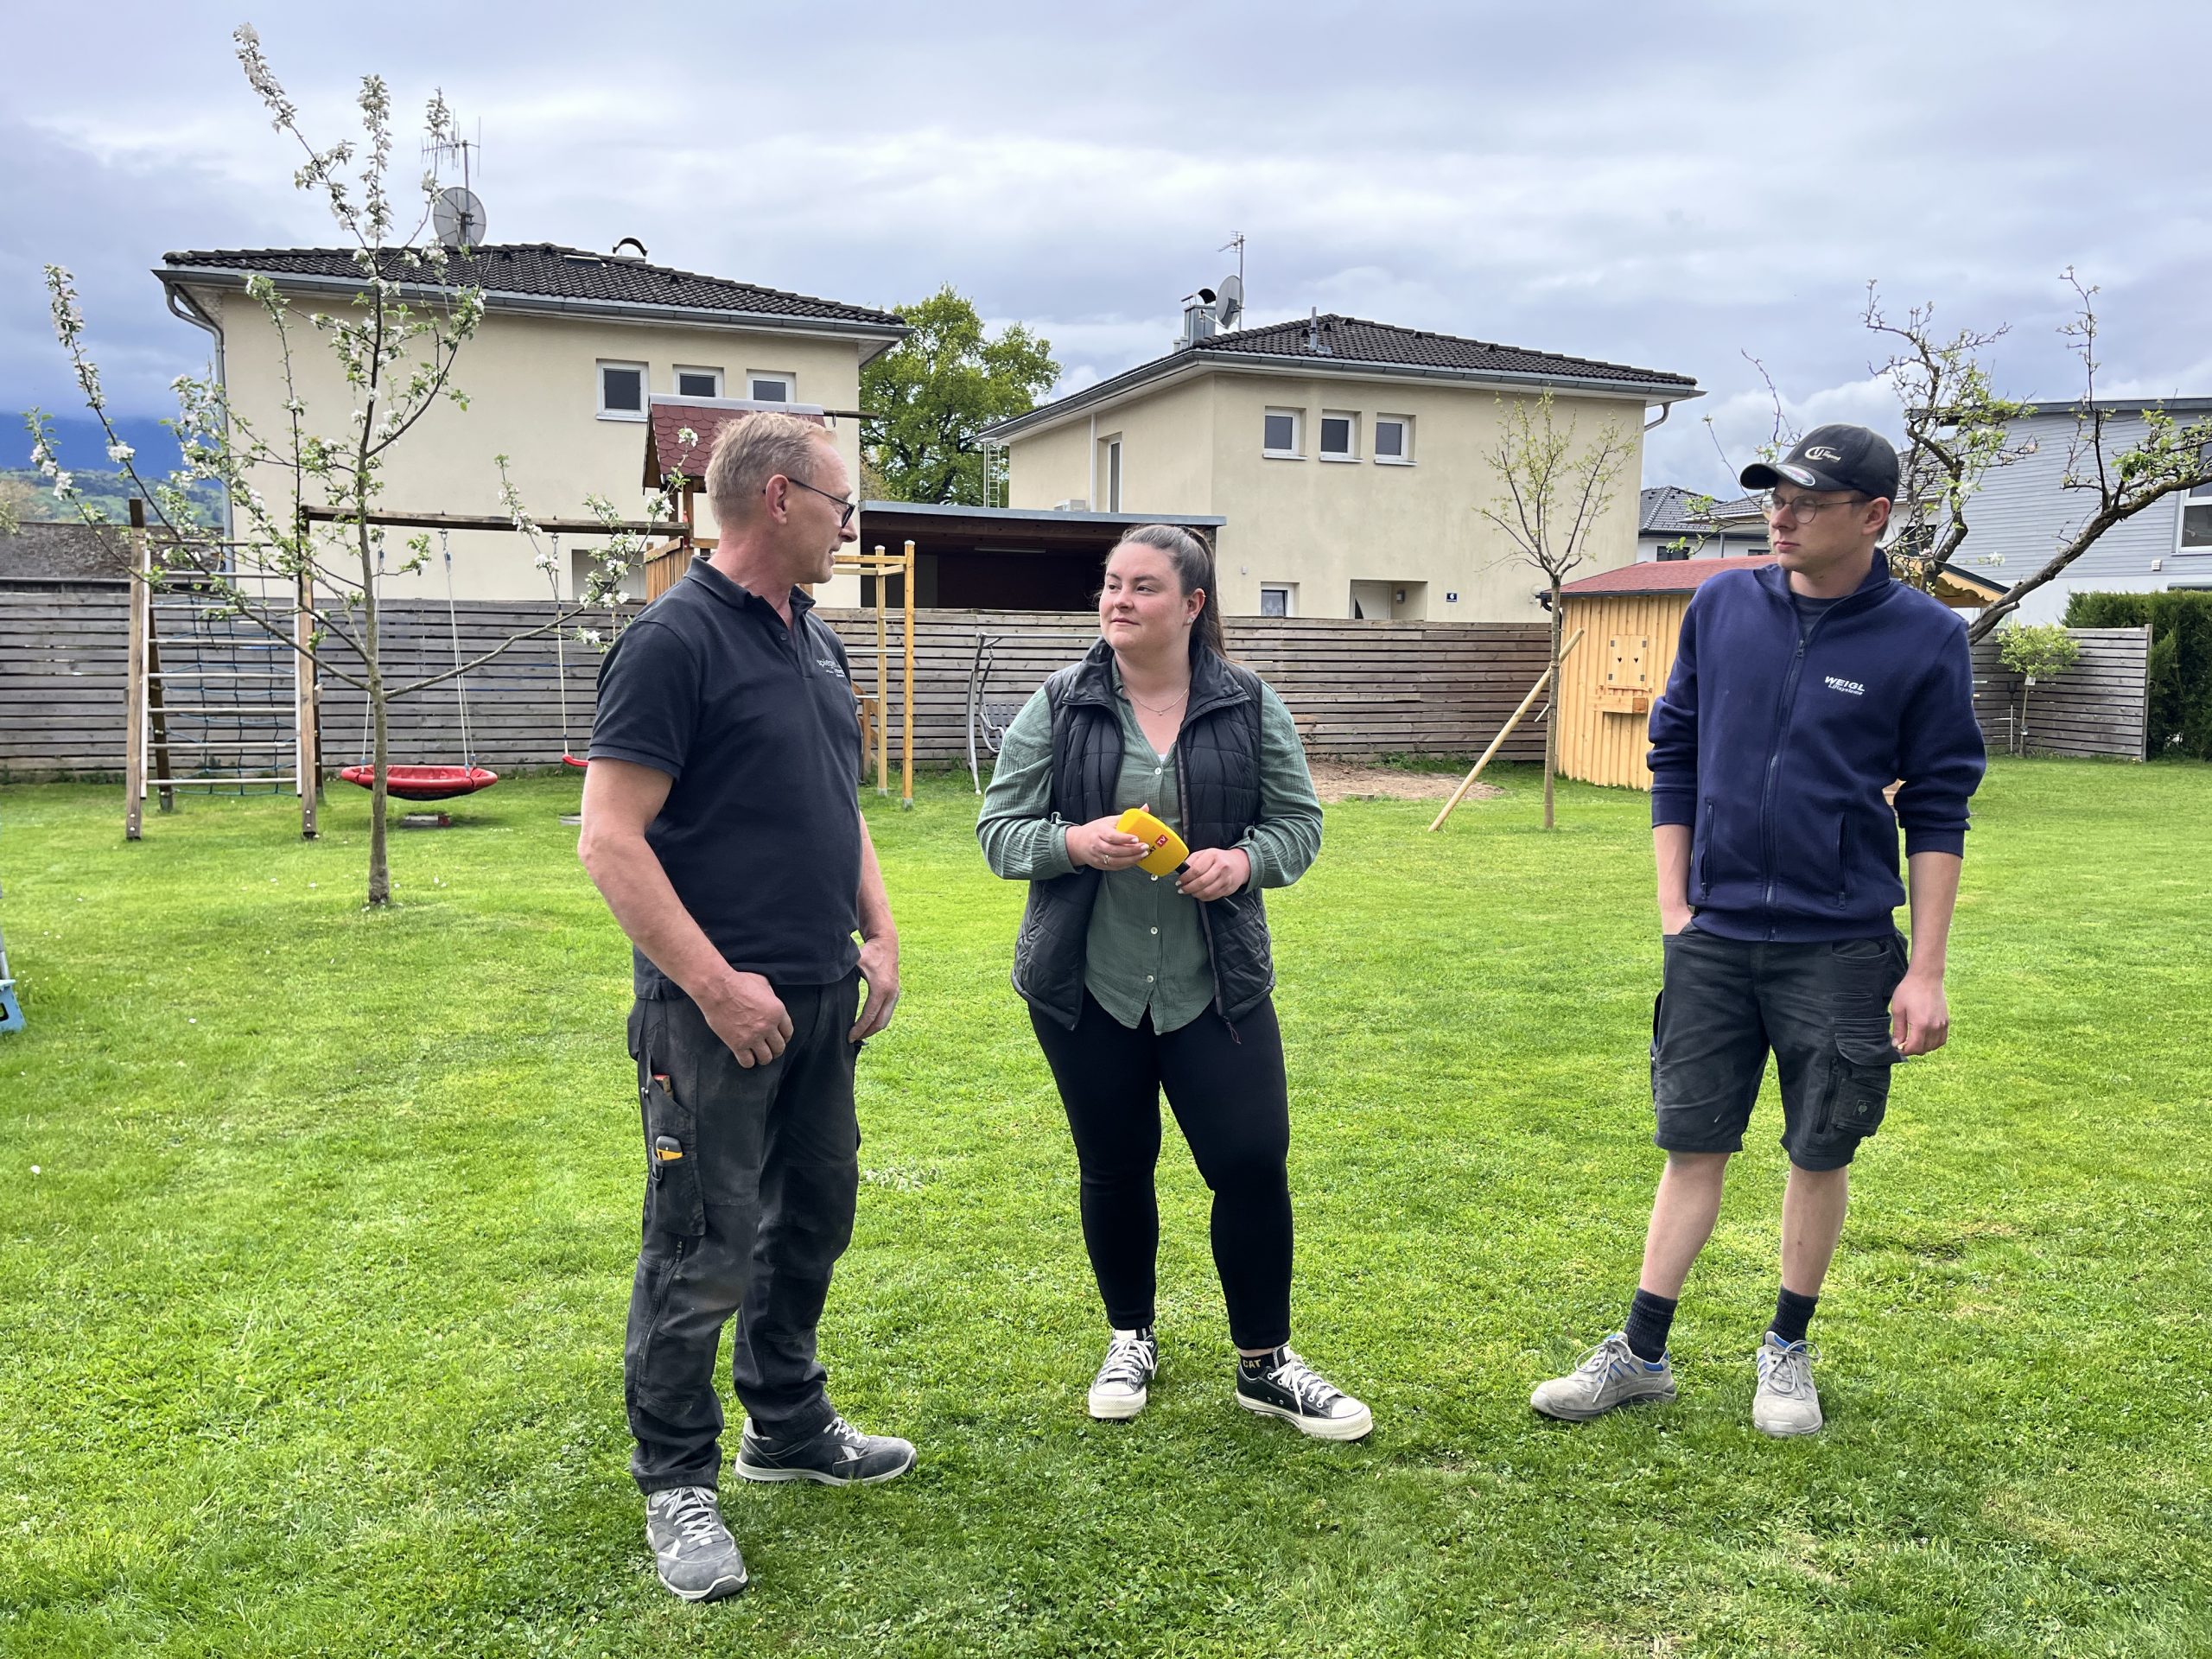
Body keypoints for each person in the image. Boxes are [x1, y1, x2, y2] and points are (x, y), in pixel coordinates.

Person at [1530, 424, 1986, 1437]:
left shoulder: (1924, 638)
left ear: (1873, 517)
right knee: (1690, 1143)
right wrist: (1674, 907)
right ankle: (1640, 1354)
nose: (1780, 517)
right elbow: (1674, 749)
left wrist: (1925, 970)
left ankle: (1785, 1349)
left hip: (1840, 945)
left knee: (1820, 1149)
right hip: (1715, 938)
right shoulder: (1721, 605)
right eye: (1775, 498)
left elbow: (1939, 807)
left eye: (1807, 503)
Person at [579, 412, 912, 1603]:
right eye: (840, 504)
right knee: (700, 1244)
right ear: (779, 497)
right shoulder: (673, 641)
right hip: (710, 1014)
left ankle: (786, 1423)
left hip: (821, 996)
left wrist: (877, 930)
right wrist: (715, 987)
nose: (848, 526)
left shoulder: (813, 636)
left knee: (811, 1217)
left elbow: (837, 802)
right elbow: (609, 840)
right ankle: (676, 1480)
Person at [977, 524, 1369, 1441]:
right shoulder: (1060, 704)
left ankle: (1265, 1363)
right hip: (1088, 987)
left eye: (1142, 586)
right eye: (1111, 584)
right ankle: (1130, 1337)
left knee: (1250, 1163)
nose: (1118, 600)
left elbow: (1299, 825)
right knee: (1115, 1167)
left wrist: (1243, 863)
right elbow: (999, 831)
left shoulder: (1248, 704)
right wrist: (1073, 843)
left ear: (1192, 604)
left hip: (1214, 987)